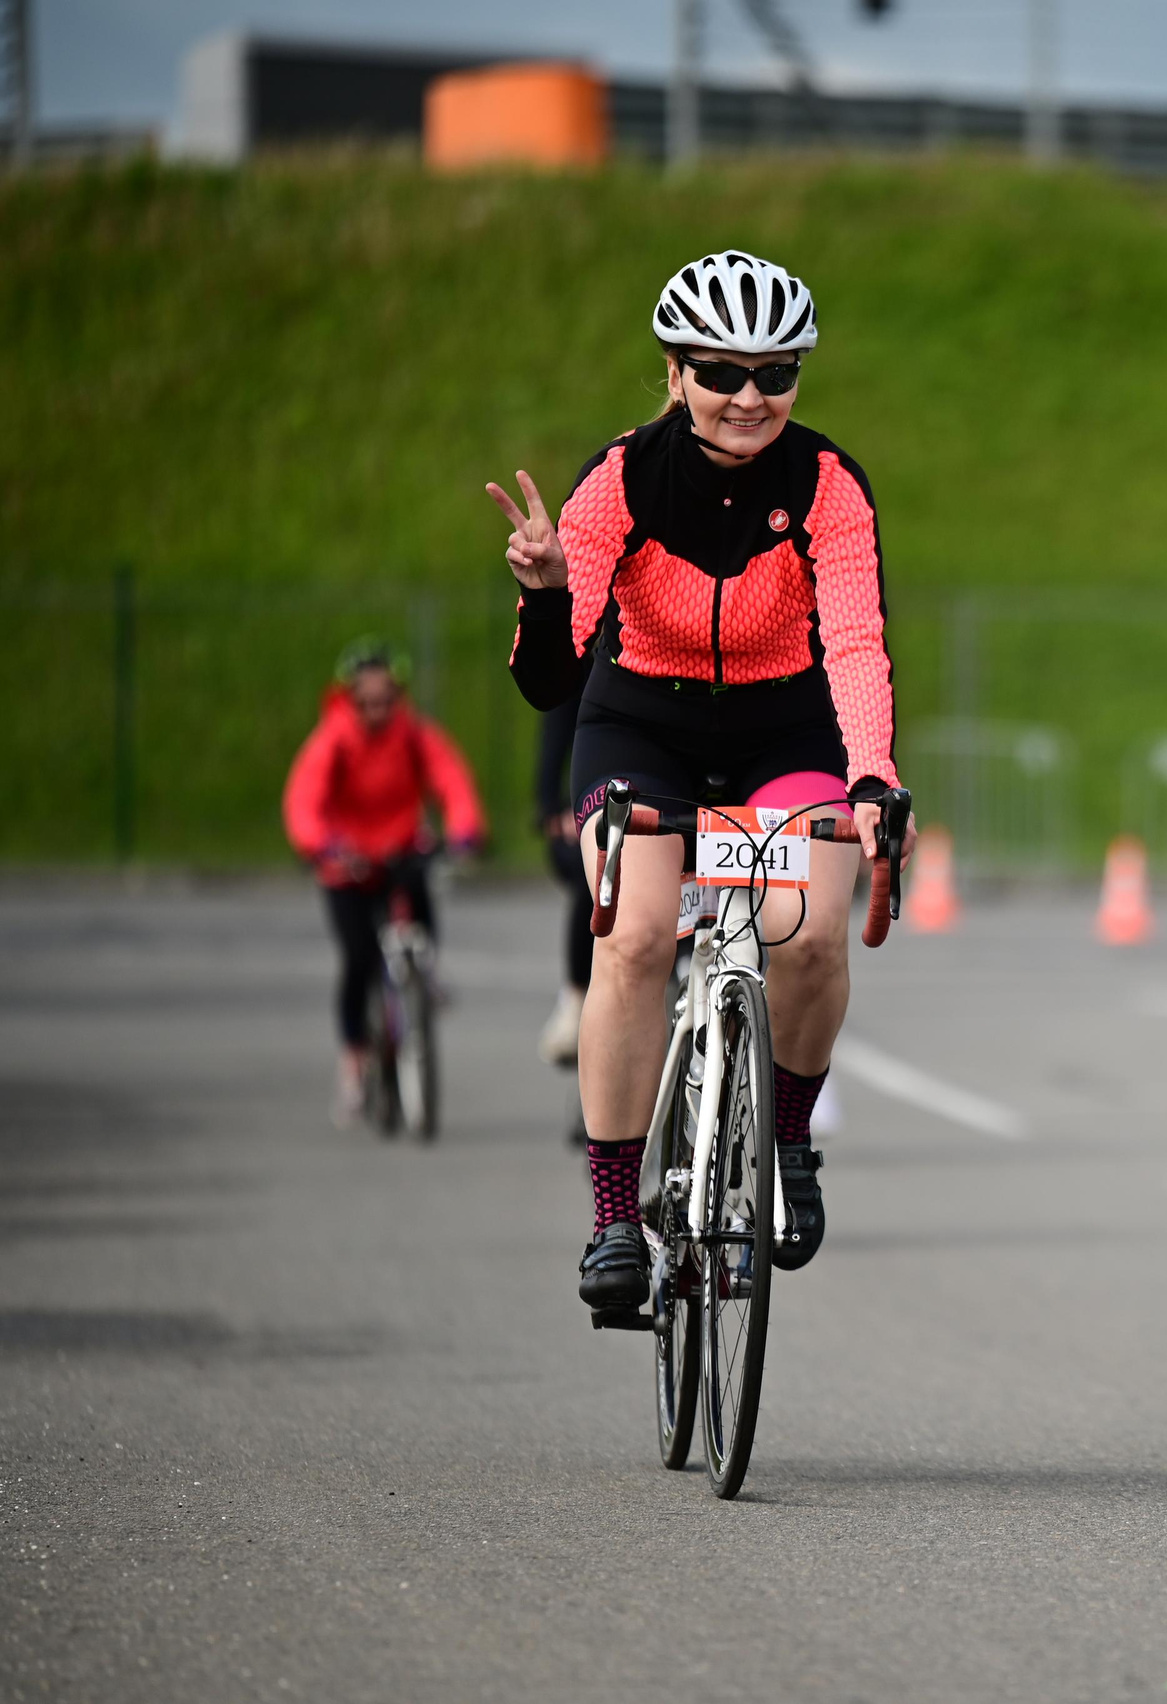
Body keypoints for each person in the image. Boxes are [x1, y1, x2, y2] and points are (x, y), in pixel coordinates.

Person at [489, 250, 901, 1318]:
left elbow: (854, 642)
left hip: (784, 727)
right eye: (721, 371)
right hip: (642, 725)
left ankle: (791, 1143)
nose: (750, 397)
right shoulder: (620, 479)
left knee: (808, 932)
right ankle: (615, 1216)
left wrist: (869, 779)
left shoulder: (828, 485)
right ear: (674, 374)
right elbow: (549, 682)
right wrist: (541, 595)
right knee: (631, 938)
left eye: (777, 372)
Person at [282, 639, 487, 1126]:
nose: (376, 710)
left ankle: (424, 971)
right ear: (349, 698)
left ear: (397, 696)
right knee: (356, 959)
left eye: (385, 700)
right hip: (346, 862)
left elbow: (451, 779)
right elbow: (304, 799)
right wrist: (320, 843)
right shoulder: (332, 741)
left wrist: (463, 830)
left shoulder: (412, 735)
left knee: (419, 889)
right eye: (366, 702)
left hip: (397, 847)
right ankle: (354, 1057)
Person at [532, 700, 590, 1071]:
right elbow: (554, 742)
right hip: (590, 807)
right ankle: (576, 996)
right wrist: (553, 810)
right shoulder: (585, 653)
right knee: (595, 870)